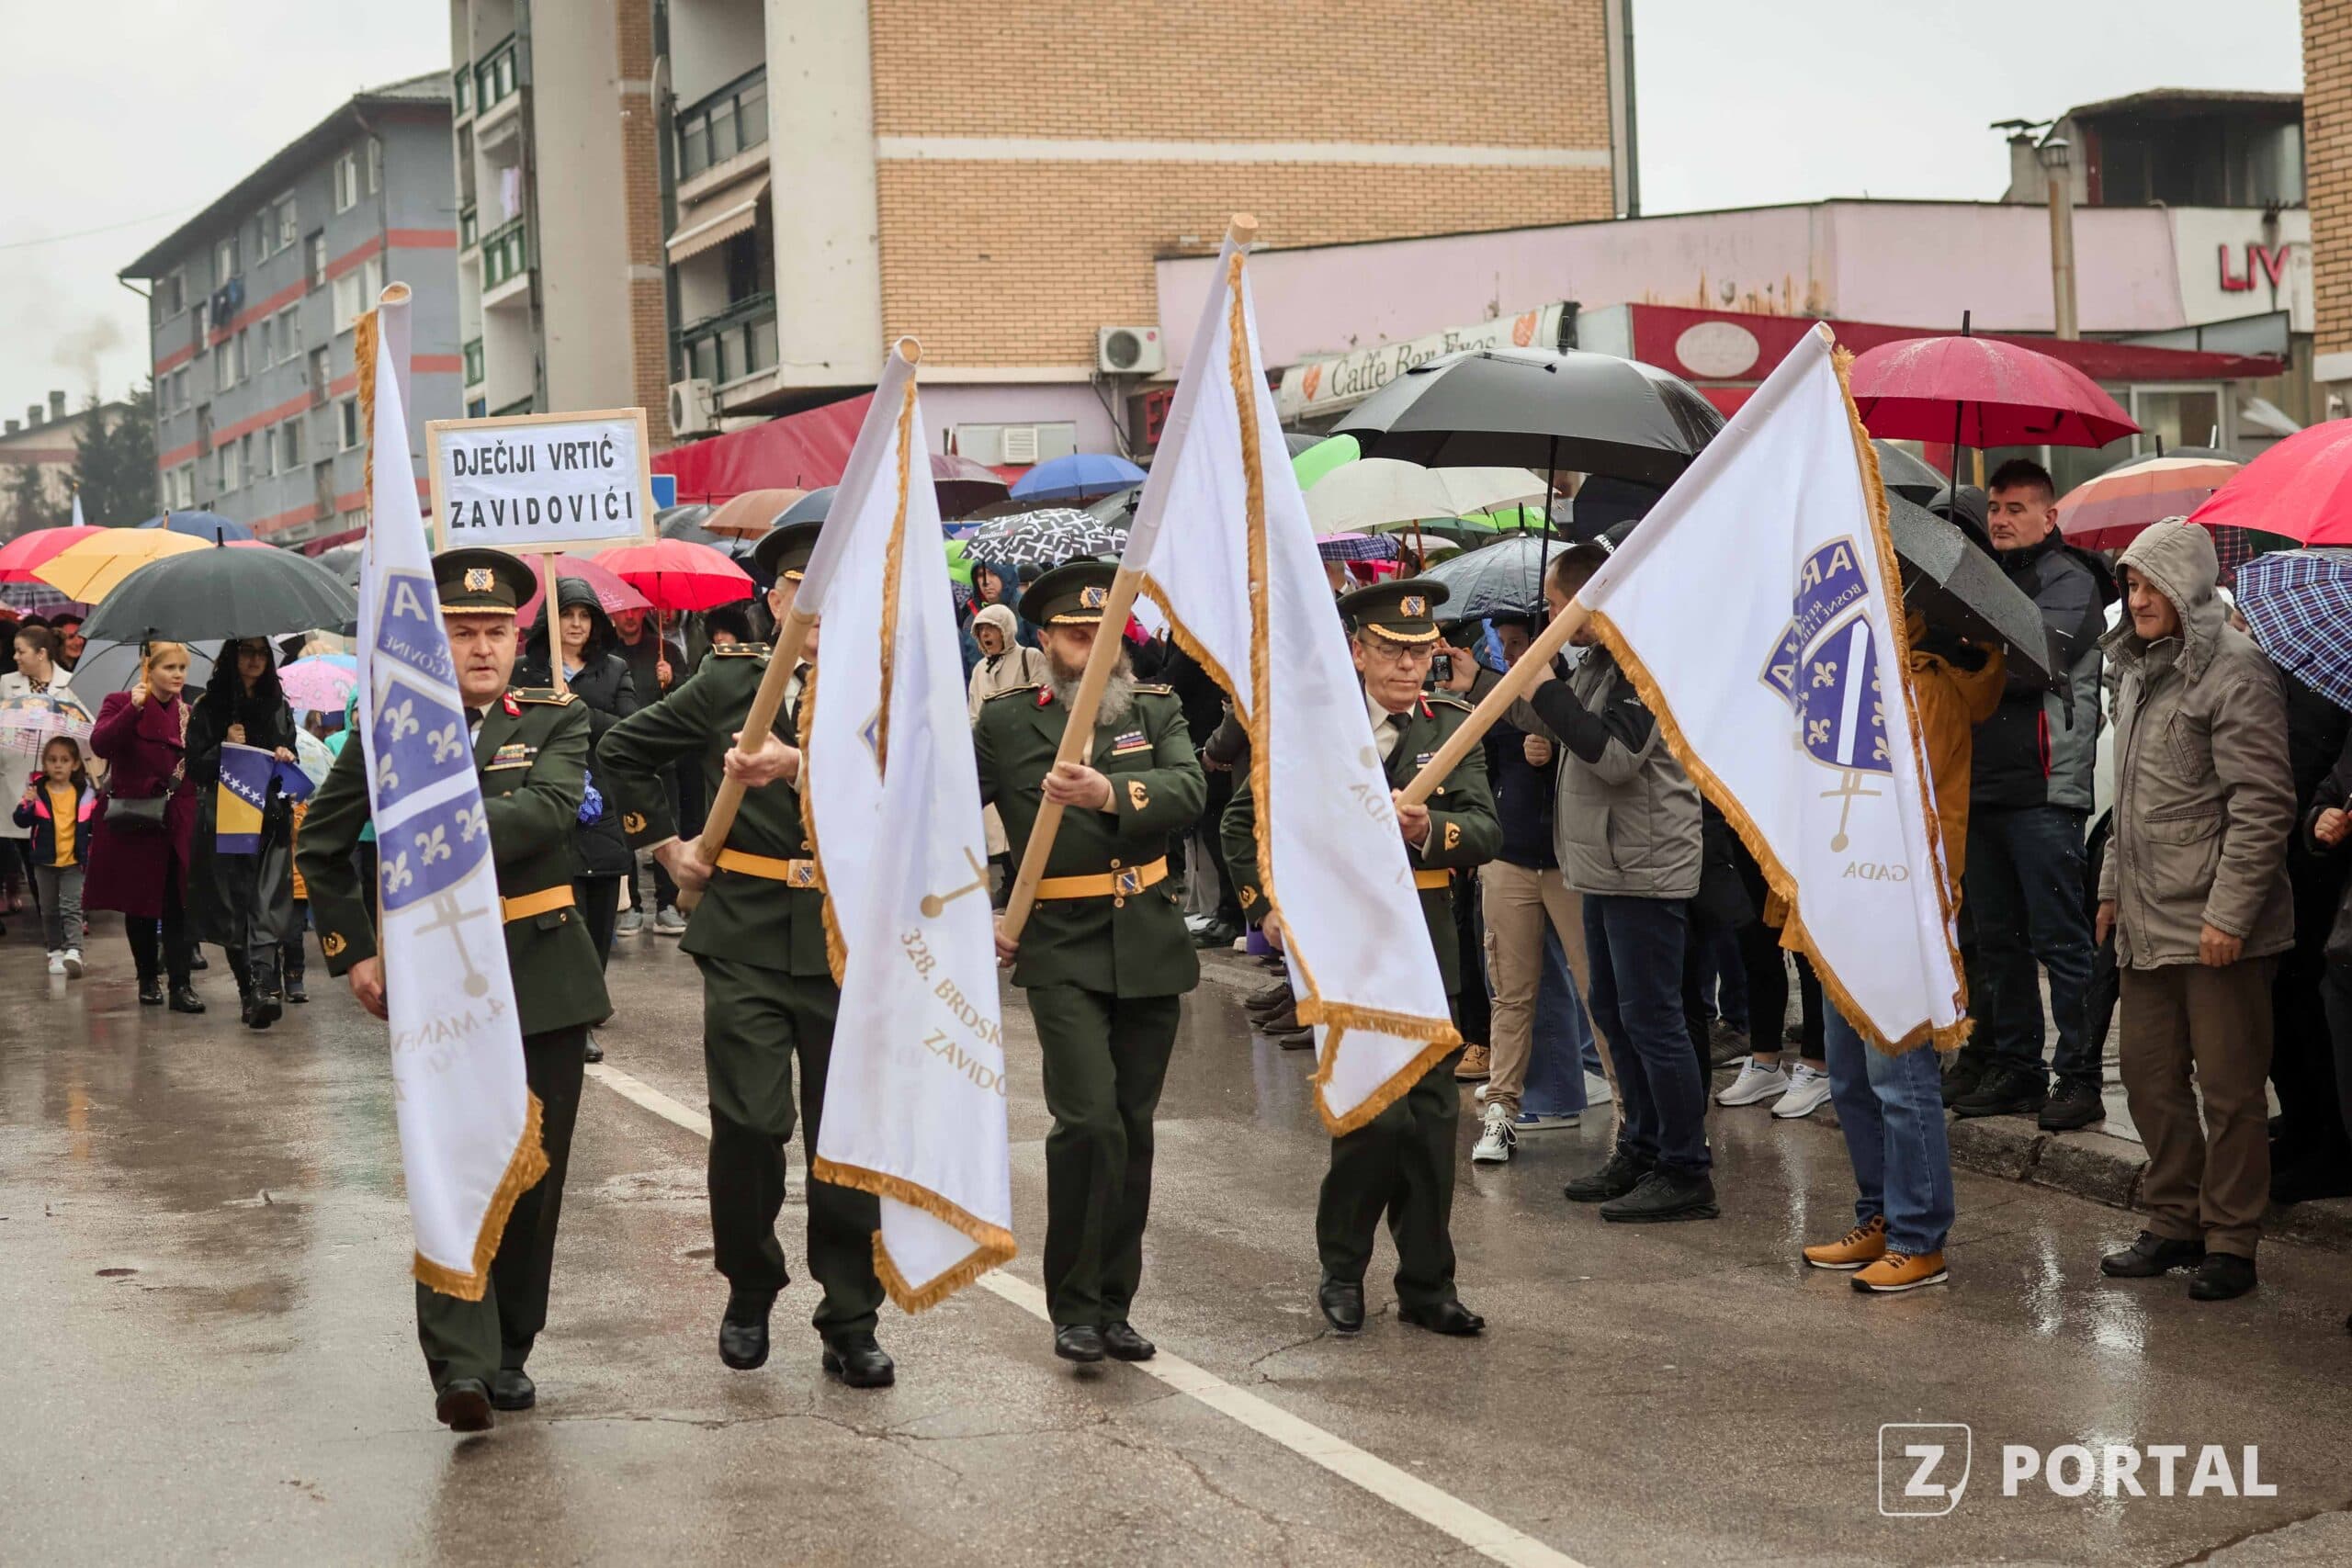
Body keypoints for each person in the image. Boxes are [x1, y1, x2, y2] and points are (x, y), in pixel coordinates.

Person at [299, 547, 611, 1432]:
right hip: (437, 983)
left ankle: (512, 1345)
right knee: (449, 1166)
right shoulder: (390, 731)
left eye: (496, 632)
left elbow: (547, 813)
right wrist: (352, 950)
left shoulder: (554, 718)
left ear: (518, 642)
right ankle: (461, 1364)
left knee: (531, 1173)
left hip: (542, 974)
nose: (482, 648)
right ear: (434, 640)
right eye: (463, 632)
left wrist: (430, 803)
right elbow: (320, 843)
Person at [599, 521, 894, 1389]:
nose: (815, 602)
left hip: (847, 935)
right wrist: (666, 848)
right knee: (752, 1125)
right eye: (801, 584)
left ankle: (851, 1314)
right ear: (775, 597)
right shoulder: (731, 679)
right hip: (746, 931)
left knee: (846, 1135)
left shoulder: (880, 690)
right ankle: (750, 1288)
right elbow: (623, 752)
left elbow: (914, 791)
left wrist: (799, 765)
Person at [1227, 580, 1498, 1337]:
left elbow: (1484, 828)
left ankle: (1427, 1282)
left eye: (1421, 651)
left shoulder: (1450, 726)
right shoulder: (1317, 728)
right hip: (1348, 950)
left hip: (1427, 945)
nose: (1410, 667)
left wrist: (1425, 829)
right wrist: (1264, 907)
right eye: (1392, 650)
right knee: (1373, 1122)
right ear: (1358, 650)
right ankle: (1342, 1266)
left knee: (1433, 1127)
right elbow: (1243, 818)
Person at [974, 559, 1204, 1366]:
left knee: (1132, 1129)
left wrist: (1109, 794)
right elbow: (941, 821)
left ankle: (1115, 1302)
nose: (1096, 649)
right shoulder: (1006, 726)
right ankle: (1071, 1304)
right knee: (1089, 1122)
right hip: (1060, 944)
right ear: (1047, 642)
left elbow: (1189, 789)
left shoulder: (1154, 706)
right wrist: (978, 907)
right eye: (1079, 636)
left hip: (1147, 938)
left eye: (1108, 636)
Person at [2094, 521, 2295, 1303]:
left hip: (2216, 927)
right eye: (2131, 586)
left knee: (2232, 1090)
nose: (2138, 600)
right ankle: (2172, 1220)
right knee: (2148, 1080)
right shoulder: (2139, 669)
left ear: (2185, 587)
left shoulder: (2235, 670)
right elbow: (2130, 800)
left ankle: (2232, 1241)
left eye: (2150, 586)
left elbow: (2262, 804)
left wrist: (2231, 917)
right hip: (2146, 920)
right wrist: (2111, 886)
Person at [1801, 615, 2004, 1292]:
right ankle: (1879, 1214)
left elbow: (1921, 798)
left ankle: (1920, 1236)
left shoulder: (1929, 689)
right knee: (1851, 1078)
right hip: (1842, 898)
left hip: (1896, 903)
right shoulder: (1848, 677)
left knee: (1899, 1077)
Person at [1531, 547, 1716, 1222]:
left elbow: (1612, 756)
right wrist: (1502, 679)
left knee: (1654, 1018)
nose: (1552, 617)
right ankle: (1641, 1146)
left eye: (1557, 606)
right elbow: (1561, 723)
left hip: (1646, 866)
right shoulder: (1600, 661)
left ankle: (1686, 1166)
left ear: (1588, 601)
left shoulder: (1646, 659)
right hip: (1605, 867)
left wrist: (1545, 686)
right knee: (1611, 1011)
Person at [1949, 458, 2110, 1129]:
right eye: (1994, 507)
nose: (2000, 519)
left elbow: (2032, 659)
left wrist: (1969, 640)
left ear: (2049, 516)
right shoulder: (1987, 577)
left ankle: (2079, 1077)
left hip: (2045, 791)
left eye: (2016, 508)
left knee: (2060, 942)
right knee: (1996, 938)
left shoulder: (2070, 580)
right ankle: (2015, 1067)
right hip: (1982, 784)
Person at [1453, 615, 1593, 1162]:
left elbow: (1583, 738)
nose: (1513, 653)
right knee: (1509, 992)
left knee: (1597, 992)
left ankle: (1637, 1120)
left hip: (1570, 864)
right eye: (1505, 645)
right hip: (1509, 859)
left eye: (1522, 644)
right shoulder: (1497, 691)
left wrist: (1553, 752)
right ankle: (1503, 1110)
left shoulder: (1578, 686)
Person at [517, 577, 640, 1066]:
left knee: (600, 916)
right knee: (563, 917)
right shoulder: (527, 671)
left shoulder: (612, 670)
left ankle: (588, 1008)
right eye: (566, 613)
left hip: (603, 808)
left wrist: (576, 710)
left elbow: (630, 731)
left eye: (584, 615)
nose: (575, 624)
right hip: (549, 807)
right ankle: (572, 1017)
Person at [185, 638, 300, 1030]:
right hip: (226, 819)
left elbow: (289, 754)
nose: (255, 659)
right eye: (247, 651)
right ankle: (249, 991)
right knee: (236, 906)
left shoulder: (278, 705)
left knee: (265, 902)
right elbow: (195, 768)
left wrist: (286, 752)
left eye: (262, 653)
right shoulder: (209, 707)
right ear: (232, 657)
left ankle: (265, 988)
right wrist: (223, 748)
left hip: (269, 817)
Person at [87, 642, 204, 1011]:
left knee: (178, 906)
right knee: (140, 905)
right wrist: (132, 710)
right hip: (137, 819)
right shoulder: (119, 701)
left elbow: (200, 765)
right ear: (147, 668)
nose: (177, 674)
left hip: (178, 819)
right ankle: (147, 978)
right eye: (168, 667)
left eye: (182, 668)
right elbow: (101, 744)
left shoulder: (189, 713)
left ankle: (181, 985)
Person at [608, 604, 687, 936]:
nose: (629, 617)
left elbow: (691, 699)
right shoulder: (606, 656)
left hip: (662, 755)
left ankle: (668, 904)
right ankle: (632, 906)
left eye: (635, 611)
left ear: (644, 612)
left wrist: (673, 680)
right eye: (622, 611)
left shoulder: (666, 651)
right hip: (620, 758)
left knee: (668, 828)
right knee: (623, 833)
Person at [966, 602, 1049, 905]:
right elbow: (974, 710)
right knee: (997, 822)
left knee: (1024, 817)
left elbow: (1043, 695)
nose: (987, 635)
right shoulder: (979, 669)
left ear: (1006, 630)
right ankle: (1011, 881)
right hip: (993, 753)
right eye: (982, 630)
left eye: (992, 628)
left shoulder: (1030, 657)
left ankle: (1024, 881)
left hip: (1025, 750)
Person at [14, 737, 95, 977]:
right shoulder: (37, 792)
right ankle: (55, 952)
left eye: (64, 760)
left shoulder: (86, 794)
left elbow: (94, 823)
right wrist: (26, 803)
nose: (58, 765)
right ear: (44, 764)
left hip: (73, 862)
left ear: (76, 764)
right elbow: (20, 820)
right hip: (44, 862)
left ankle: (74, 952)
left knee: (71, 908)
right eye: (52, 760)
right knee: (49, 910)